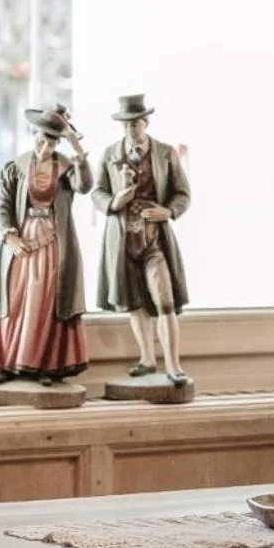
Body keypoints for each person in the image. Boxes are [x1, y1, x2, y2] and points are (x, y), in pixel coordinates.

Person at [0, 103, 91, 385]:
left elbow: (86, 185)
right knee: (16, 299)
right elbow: (3, 205)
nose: (46, 146)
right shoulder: (16, 167)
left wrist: (77, 149)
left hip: (53, 240)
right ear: (34, 137)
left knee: (45, 301)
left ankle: (44, 363)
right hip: (23, 238)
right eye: (43, 139)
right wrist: (10, 234)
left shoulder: (65, 168)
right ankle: (8, 360)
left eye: (53, 141)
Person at [93, 93, 191, 386]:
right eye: (125, 125)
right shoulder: (111, 153)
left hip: (154, 241)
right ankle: (147, 358)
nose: (130, 130)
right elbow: (97, 192)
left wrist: (168, 211)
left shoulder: (164, 153)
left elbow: (183, 193)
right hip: (123, 240)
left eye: (135, 124)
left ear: (145, 123)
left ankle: (173, 364)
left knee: (164, 301)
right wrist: (115, 201)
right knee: (134, 301)